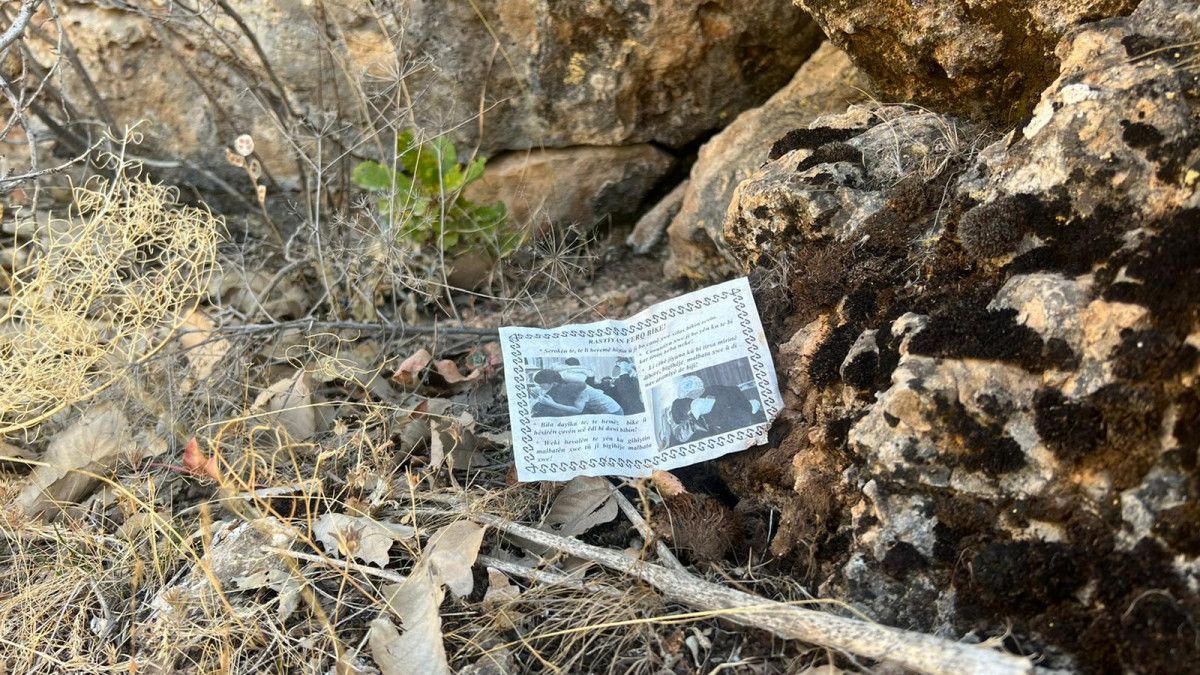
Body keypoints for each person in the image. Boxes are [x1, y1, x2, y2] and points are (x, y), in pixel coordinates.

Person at [531, 369, 623, 416]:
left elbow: (577, 410)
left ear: (553, 383)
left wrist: (552, 403)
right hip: (603, 410)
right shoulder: (561, 383)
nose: (540, 387)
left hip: (613, 412)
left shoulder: (577, 388)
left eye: (541, 385)